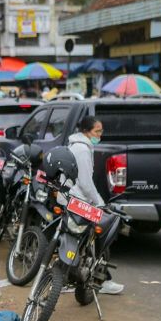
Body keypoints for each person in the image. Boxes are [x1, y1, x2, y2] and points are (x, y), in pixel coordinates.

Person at [67, 116, 124, 295]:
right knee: (103, 233)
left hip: (71, 199)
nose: (100, 135)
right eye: (97, 131)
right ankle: (102, 279)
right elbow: (85, 182)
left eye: (101, 131)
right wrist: (99, 203)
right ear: (86, 131)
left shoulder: (76, 145)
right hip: (79, 201)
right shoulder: (83, 149)